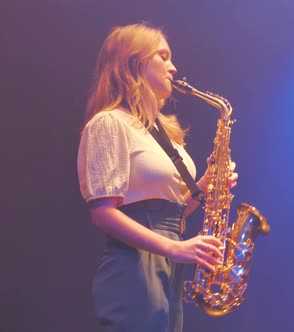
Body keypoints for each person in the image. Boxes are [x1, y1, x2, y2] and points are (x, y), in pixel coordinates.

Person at [77, 22, 238, 332]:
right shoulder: (109, 123)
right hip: (135, 264)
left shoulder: (164, 132)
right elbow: (103, 213)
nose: (173, 68)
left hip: (170, 258)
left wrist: (208, 183)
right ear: (133, 63)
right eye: (163, 57)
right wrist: (175, 248)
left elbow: (174, 210)